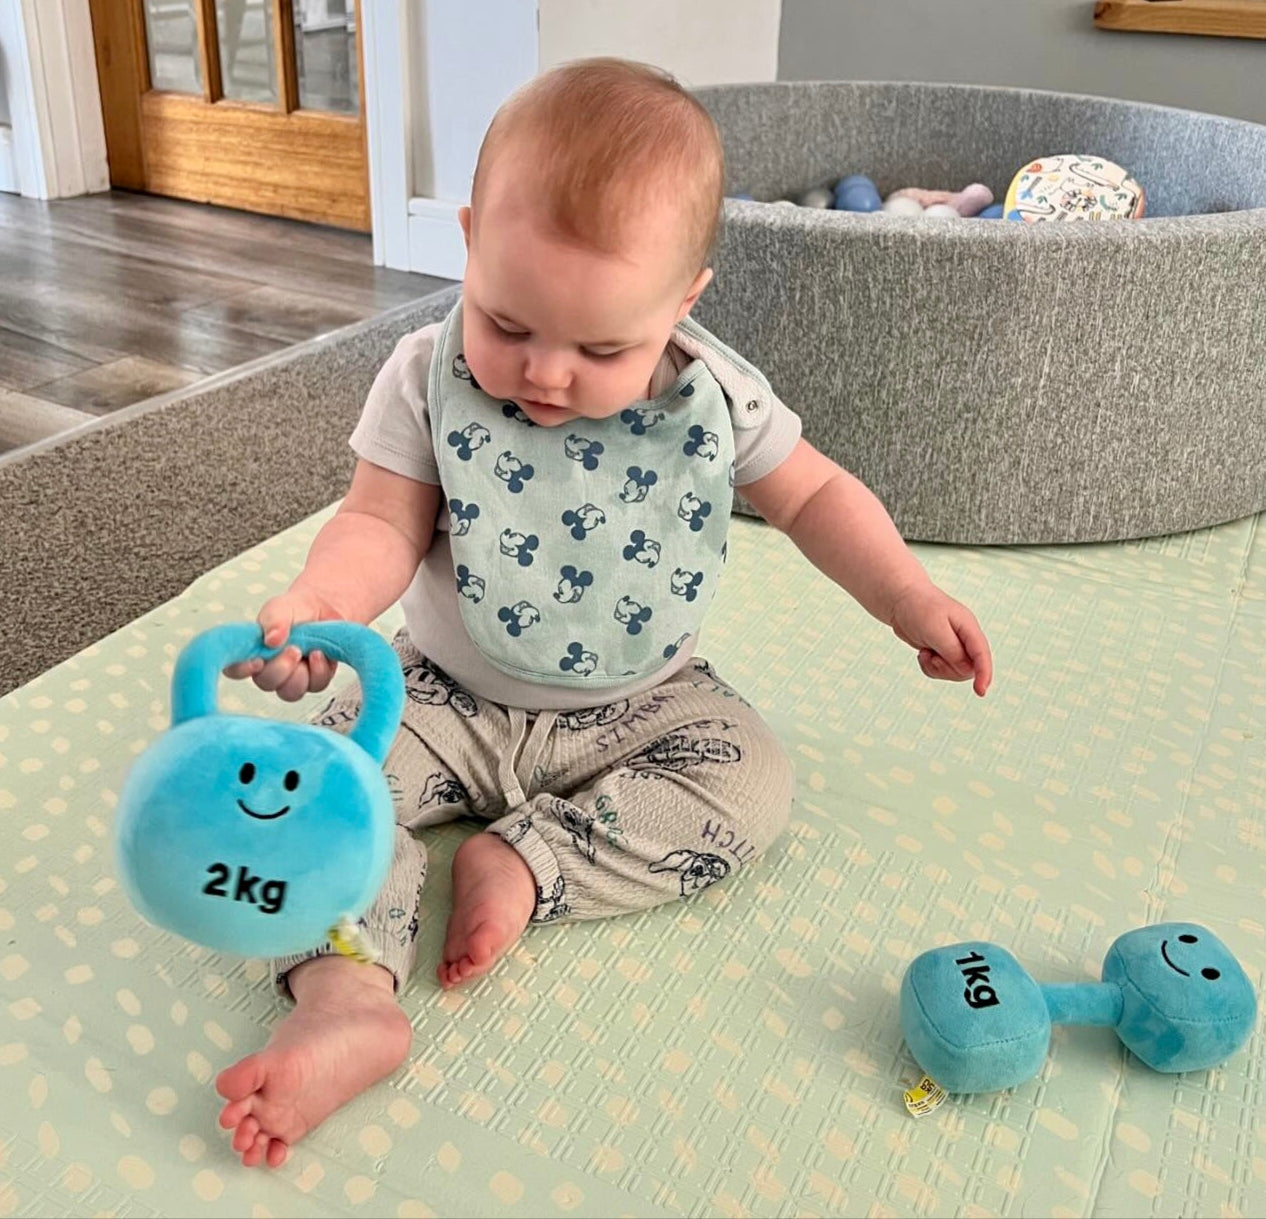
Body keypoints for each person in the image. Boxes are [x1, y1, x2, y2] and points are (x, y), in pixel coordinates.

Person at [213, 58, 993, 1169]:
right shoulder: (419, 375)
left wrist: (908, 594)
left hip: (640, 703)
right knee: (307, 802)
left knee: (753, 782)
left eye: (602, 348)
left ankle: (532, 862)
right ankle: (344, 996)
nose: (545, 375)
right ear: (472, 240)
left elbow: (815, 493)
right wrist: (320, 606)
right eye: (509, 322)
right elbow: (380, 522)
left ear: (684, 302)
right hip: (435, 691)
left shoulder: (716, 398)